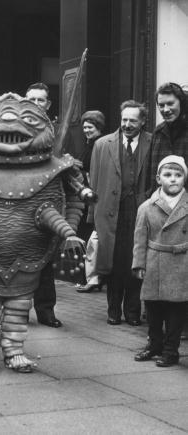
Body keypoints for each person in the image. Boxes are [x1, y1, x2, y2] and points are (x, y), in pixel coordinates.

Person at [88, 100, 152, 326]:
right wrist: (92, 217)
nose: (127, 124)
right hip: (109, 212)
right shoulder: (102, 144)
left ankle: (133, 311)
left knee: (135, 261)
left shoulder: (152, 142)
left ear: (142, 121)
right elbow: (94, 182)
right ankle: (113, 310)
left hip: (139, 211)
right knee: (113, 262)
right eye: (124, 119)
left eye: (133, 120)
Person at [133, 155, 188, 367]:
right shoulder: (146, 207)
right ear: (158, 178)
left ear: (184, 178)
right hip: (154, 261)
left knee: (176, 310)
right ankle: (154, 344)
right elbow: (139, 239)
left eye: (178, 175)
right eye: (167, 174)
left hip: (181, 263)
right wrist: (138, 264)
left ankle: (171, 350)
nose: (173, 179)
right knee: (153, 308)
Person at [25, 82, 62, 327]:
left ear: (47, 105)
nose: (36, 104)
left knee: (46, 260)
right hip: (18, 199)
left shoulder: (57, 131)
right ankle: (17, 309)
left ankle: (46, 310)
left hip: (45, 199)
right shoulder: (12, 126)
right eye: (31, 100)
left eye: (41, 100)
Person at [76, 110, 106, 293]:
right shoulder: (89, 145)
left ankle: (94, 277)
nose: (87, 130)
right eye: (85, 127)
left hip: (94, 196)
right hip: (86, 195)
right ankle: (91, 276)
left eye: (90, 127)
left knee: (92, 237)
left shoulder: (99, 145)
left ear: (99, 128)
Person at [146, 82, 188, 194]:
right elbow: (151, 174)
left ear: (181, 103)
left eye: (170, 104)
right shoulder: (158, 132)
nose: (165, 109)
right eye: (161, 105)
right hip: (160, 205)